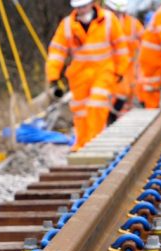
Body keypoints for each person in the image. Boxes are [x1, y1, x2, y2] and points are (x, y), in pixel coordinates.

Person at [47, 0, 129, 151]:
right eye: (78, 7)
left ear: (92, 4)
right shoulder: (67, 25)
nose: (81, 10)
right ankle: (82, 143)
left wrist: (120, 70)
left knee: (96, 105)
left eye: (84, 6)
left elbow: (120, 47)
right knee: (80, 111)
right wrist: (53, 76)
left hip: (103, 70)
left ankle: (94, 142)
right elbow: (57, 51)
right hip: (79, 75)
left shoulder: (109, 20)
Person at [105, 0, 144, 122]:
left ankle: (114, 118)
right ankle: (110, 118)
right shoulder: (102, 23)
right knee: (108, 95)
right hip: (107, 66)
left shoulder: (132, 24)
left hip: (128, 67)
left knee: (123, 93)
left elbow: (145, 40)